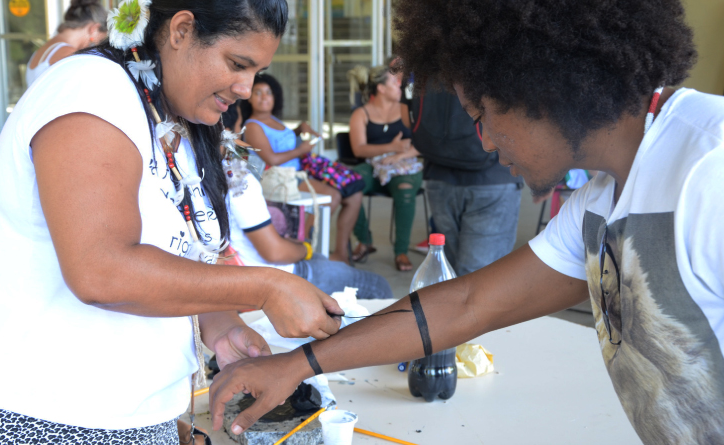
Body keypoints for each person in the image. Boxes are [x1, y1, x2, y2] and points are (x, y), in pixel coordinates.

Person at [208, 0, 724, 443]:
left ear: (538, 86)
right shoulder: (598, 202)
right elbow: (466, 302)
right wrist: (296, 365)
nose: (484, 142)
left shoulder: (709, 168)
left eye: (481, 116)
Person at [0, 1, 344, 443]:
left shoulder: (171, 113)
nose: (246, 87)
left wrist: (221, 324)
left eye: (256, 71)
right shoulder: (90, 90)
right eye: (237, 63)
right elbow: (102, 270)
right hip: (41, 422)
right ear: (182, 30)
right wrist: (266, 287)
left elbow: (166, 257)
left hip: (129, 419)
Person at [401, 81, 523, 276]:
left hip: (438, 172)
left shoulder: (425, 60)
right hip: (492, 174)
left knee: (448, 271)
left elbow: (408, 119)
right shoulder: (499, 55)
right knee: (482, 277)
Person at [242, 73, 363, 264]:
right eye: (258, 92)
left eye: (269, 93)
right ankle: (302, 243)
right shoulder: (252, 126)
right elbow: (271, 159)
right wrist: (301, 150)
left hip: (299, 175)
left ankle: (340, 253)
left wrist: (299, 129)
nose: (264, 97)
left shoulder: (275, 120)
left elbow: (283, 141)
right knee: (333, 196)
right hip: (280, 179)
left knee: (354, 195)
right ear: (248, 97)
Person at [227, 171, 393, 299]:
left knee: (321, 259)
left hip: (245, 268)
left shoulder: (205, 179)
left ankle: (339, 256)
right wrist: (305, 249)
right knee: (379, 285)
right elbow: (274, 253)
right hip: (271, 274)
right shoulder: (238, 179)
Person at [347, 64, 423, 271]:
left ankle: (401, 252)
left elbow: (424, 142)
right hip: (373, 165)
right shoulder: (361, 114)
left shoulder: (406, 110)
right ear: (380, 88)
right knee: (348, 183)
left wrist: (401, 153)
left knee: (405, 188)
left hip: (405, 165)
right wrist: (391, 147)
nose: (400, 85)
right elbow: (359, 150)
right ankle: (364, 240)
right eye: (394, 81)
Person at [25, 0, 107, 87]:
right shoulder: (69, 55)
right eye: (100, 40)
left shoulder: (42, 50)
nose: (95, 44)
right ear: (94, 28)